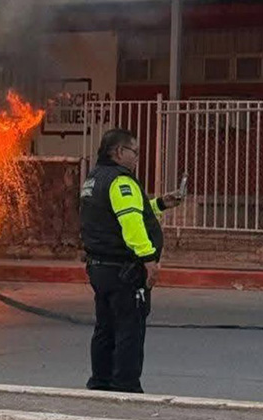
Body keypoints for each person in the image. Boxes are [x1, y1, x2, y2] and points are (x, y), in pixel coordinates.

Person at [79, 128, 183, 393]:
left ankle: (100, 383)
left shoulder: (94, 179)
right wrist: (148, 258)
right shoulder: (121, 181)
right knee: (129, 331)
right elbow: (130, 222)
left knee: (105, 328)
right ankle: (125, 389)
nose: (137, 158)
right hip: (123, 271)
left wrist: (159, 204)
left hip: (100, 268)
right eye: (134, 152)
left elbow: (117, 213)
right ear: (118, 152)